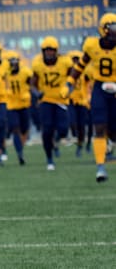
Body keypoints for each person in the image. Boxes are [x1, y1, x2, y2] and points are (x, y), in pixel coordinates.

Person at [65, 13, 116, 182]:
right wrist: (70, 82)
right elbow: (80, 65)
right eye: (112, 28)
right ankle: (100, 167)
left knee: (113, 130)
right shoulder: (92, 45)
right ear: (103, 30)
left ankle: (111, 144)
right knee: (99, 127)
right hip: (99, 89)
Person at [31, 36, 73, 171]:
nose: (49, 53)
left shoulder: (65, 62)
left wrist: (69, 88)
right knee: (46, 130)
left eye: (51, 50)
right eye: (46, 50)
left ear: (56, 51)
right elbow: (32, 84)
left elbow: (73, 77)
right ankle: (49, 158)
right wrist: (37, 93)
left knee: (63, 130)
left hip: (61, 100)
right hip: (46, 101)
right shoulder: (38, 64)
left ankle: (56, 140)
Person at [4, 51, 33, 165]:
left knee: (25, 129)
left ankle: (20, 148)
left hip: (24, 104)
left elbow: (32, 84)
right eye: (11, 62)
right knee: (16, 128)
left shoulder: (25, 72)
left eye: (15, 61)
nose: (13, 64)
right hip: (11, 105)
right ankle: (20, 153)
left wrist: (29, 92)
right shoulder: (4, 74)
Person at [67, 51, 92, 158]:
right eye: (73, 59)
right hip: (71, 101)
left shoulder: (85, 72)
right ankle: (75, 138)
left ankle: (81, 145)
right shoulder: (66, 72)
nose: (75, 62)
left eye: (77, 59)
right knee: (72, 122)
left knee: (83, 126)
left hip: (83, 102)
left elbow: (91, 82)